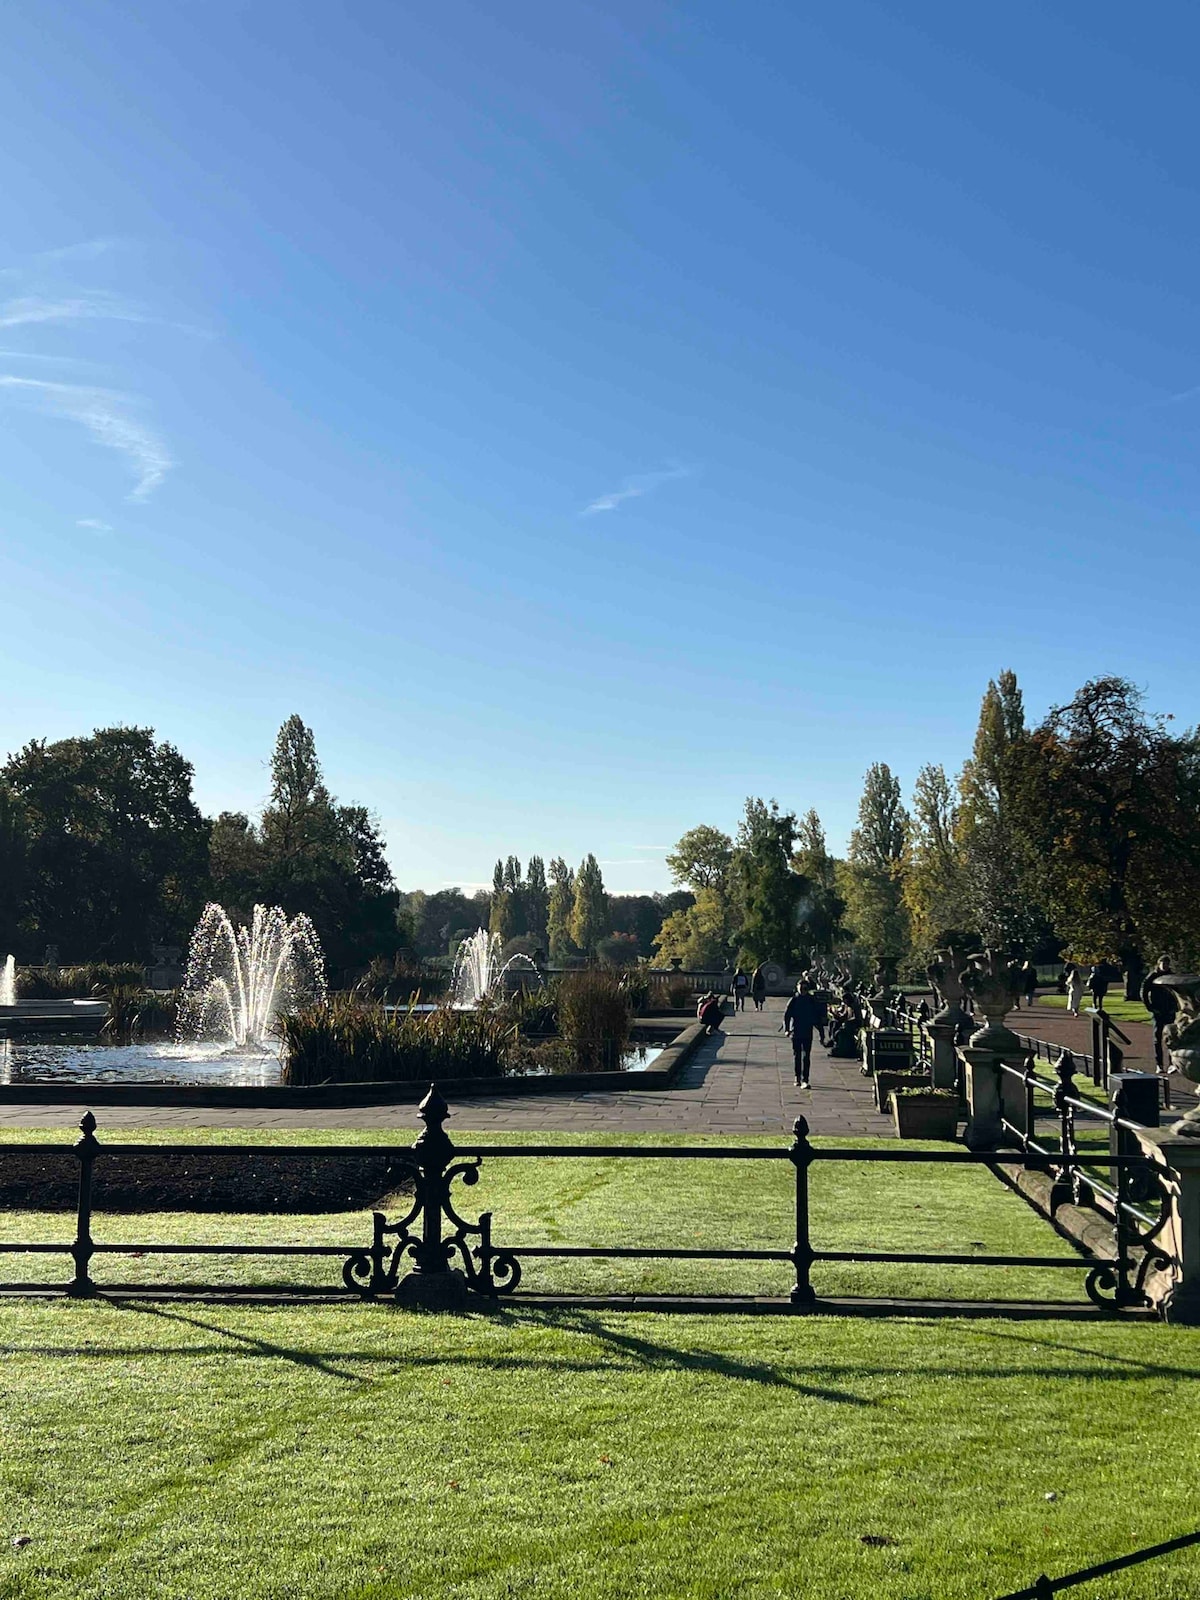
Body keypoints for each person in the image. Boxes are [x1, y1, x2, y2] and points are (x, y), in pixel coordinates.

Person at [783, 979, 827, 1088]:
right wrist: (787, 1029)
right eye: (801, 988)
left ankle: (805, 1079)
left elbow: (817, 1018)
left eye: (805, 989)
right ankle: (797, 1077)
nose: (803, 991)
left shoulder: (812, 1001)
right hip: (796, 1031)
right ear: (797, 988)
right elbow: (787, 1016)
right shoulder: (794, 1000)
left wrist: (822, 1034)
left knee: (806, 1056)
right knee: (797, 1055)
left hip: (807, 1031)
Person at [1141, 954, 1179, 1072]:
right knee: (1157, 1037)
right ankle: (1159, 1064)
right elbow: (1143, 991)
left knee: (1171, 1037)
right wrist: (1150, 1007)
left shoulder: (1172, 976)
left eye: (1167, 964)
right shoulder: (1152, 976)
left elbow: (1178, 992)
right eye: (1163, 964)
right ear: (1159, 964)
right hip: (1158, 1011)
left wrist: (1175, 1006)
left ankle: (1172, 1063)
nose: (1165, 966)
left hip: (1170, 1010)